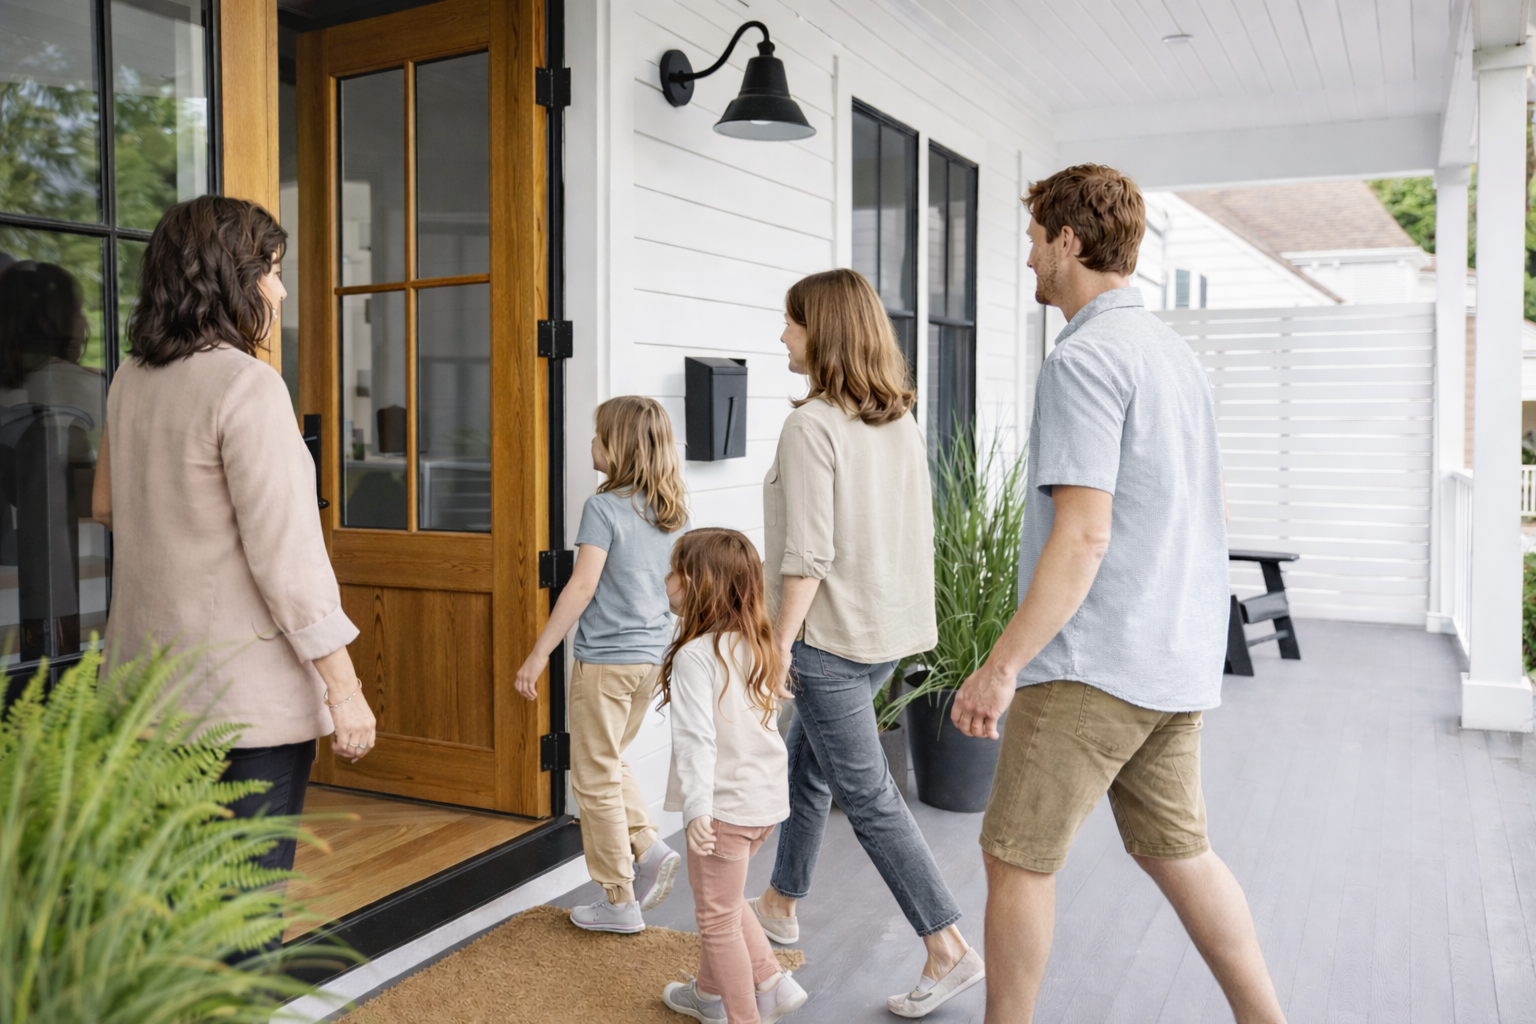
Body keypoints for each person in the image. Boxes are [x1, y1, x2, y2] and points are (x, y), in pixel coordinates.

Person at [950, 164, 1287, 1024]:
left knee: (1016, 859)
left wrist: (1001, 667)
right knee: (1182, 852)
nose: (1028, 258)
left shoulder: (1085, 359)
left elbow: (1085, 534)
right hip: (1172, 658)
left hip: (1091, 667)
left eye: (1033, 240)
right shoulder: (1173, 356)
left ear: (1068, 241)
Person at [95, 195, 377, 880]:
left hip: (143, 691)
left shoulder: (130, 379)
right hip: (238, 707)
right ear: (231, 276)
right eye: (271, 270)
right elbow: (289, 561)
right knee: (238, 918)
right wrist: (344, 689)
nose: (279, 290)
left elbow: (105, 505)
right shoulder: (247, 385)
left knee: (171, 906)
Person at [751, 268, 984, 1018]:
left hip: (829, 639)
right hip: (886, 631)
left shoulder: (812, 426)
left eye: (790, 322)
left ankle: (947, 945)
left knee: (869, 796)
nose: (781, 335)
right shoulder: (897, 420)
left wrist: (777, 645)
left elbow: (807, 555)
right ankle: (781, 903)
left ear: (820, 331)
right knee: (807, 767)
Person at [515, 395, 688, 933]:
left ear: (618, 447)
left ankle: (619, 901)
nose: (590, 443)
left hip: (607, 663)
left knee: (591, 777)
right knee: (609, 758)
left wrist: (539, 653)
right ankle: (647, 846)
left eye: (597, 435)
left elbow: (583, 584)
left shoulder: (604, 508)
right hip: (650, 660)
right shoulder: (671, 511)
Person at [658, 528, 808, 1024]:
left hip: (723, 808)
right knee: (720, 898)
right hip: (762, 805)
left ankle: (747, 1013)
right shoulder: (756, 643)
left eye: (675, 572)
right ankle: (720, 990)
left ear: (700, 584)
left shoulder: (696, 656)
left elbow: (698, 741)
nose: (666, 581)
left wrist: (698, 808)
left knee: (716, 917)